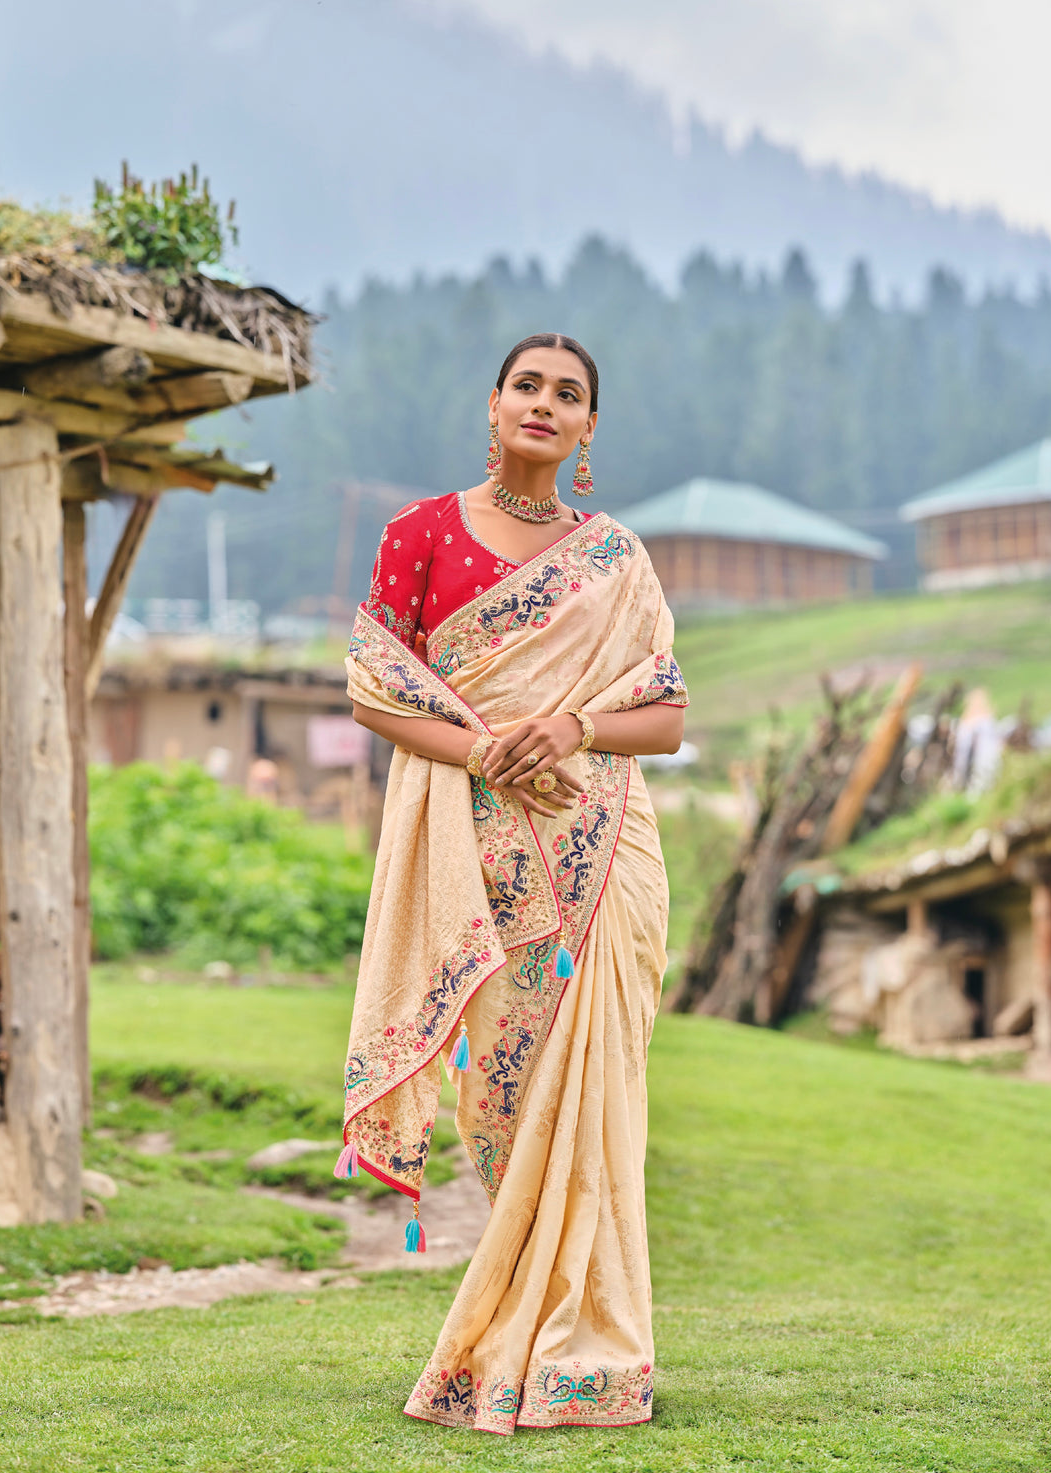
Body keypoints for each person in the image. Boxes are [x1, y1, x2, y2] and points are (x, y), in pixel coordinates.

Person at [337, 333, 688, 1434]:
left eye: (568, 394)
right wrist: (483, 749)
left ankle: (591, 1355)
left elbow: (666, 716)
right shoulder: (421, 534)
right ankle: (514, 1332)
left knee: (597, 1099)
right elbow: (372, 690)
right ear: (492, 406)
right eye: (527, 386)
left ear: (588, 430)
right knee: (498, 1101)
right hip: (471, 855)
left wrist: (576, 722)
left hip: (601, 853)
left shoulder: (615, 559)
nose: (544, 403)